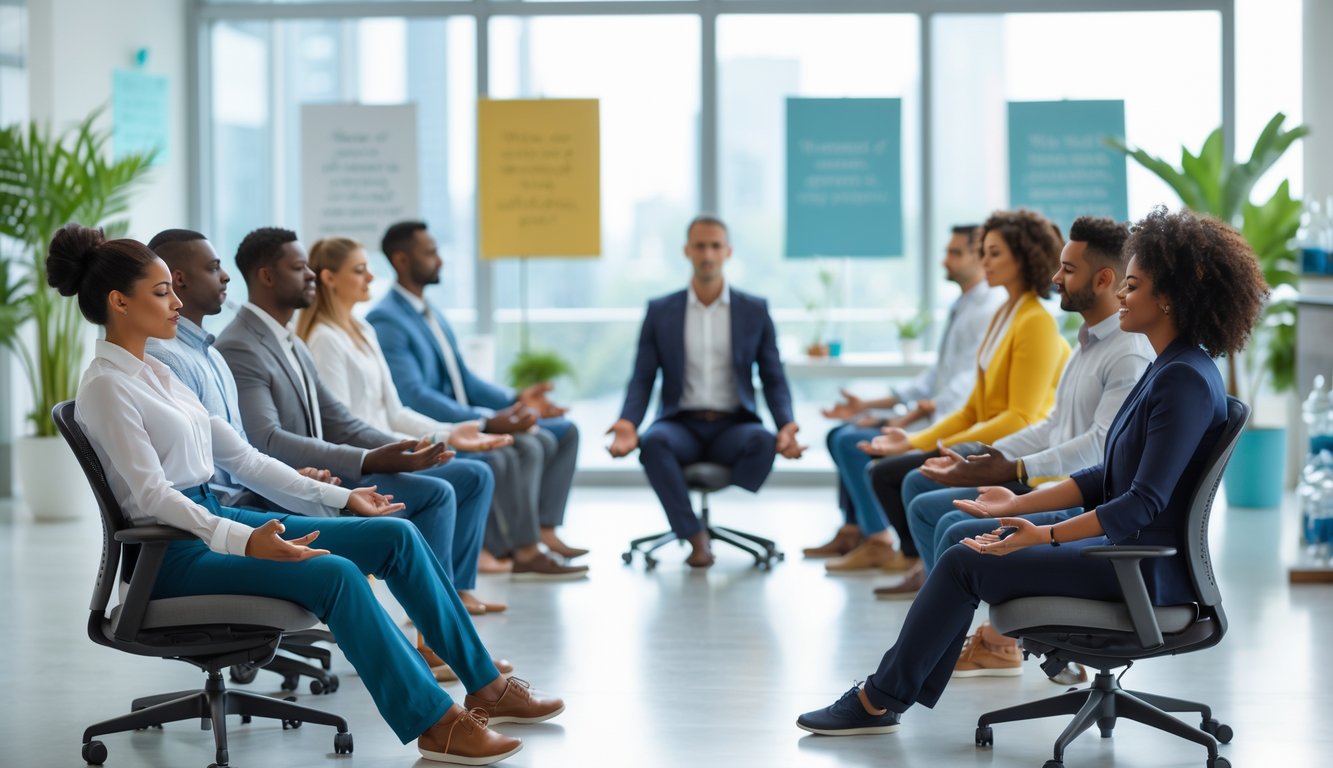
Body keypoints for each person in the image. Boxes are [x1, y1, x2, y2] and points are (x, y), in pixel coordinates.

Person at [52, 224, 565, 766]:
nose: (176, 302)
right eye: (162, 292)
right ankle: (437, 725)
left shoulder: (157, 371)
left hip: (212, 519)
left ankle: (486, 686)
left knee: (395, 534)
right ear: (119, 302)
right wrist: (244, 540)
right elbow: (153, 497)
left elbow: (246, 458)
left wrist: (346, 500)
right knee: (336, 574)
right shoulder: (107, 386)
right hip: (173, 554)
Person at [795, 206, 1268, 739]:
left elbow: (1141, 504)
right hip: (1123, 555)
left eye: (1132, 286)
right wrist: (1015, 505)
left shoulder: (1180, 379)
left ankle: (879, 701)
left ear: (1169, 298)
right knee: (969, 544)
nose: (1122, 297)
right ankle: (892, 694)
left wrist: (1039, 535)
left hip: (1138, 570)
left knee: (961, 562)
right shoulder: (1169, 366)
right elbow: (1104, 476)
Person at [213, 227, 503, 617]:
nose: (311, 275)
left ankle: (440, 618)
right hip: (292, 484)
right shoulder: (240, 345)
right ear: (266, 276)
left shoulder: (292, 341)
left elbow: (340, 420)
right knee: (438, 494)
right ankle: (436, 627)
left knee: (457, 482)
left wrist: (399, 451)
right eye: (300, 268)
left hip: (327, 472)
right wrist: (371, 460)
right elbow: (267, 440)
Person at [876, 216, 1154, 611]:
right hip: (1047, 479)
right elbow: (1053, 424)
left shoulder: (1126, 352)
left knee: (945, 522)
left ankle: (988, 634)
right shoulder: (1085, 344)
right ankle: (964, 623)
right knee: (928, 507)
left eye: (1068, 269)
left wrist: (1015, 468)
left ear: (1103, 280)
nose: (1057, 277)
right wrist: (994, 458)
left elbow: (1098, 448)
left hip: (1073, 497)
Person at [300, 236, 588, 580]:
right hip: (370, 458)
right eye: (360, 270)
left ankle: (462, 586)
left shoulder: (362, 329)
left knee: (487, 464)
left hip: (391, 445)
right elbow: (346, 425)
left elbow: (395, 411)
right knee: (479, 470)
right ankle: (467, 576)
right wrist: (417, 446)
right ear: (330, 278)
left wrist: (451, 433)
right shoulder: (326, 339)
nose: (371, 278)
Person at [825, 210, 1070, 575]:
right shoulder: (1006, 314)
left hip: (1017, 448)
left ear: (1022, 257)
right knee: (900, 472)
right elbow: (972, 409)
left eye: (994, 253)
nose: (983, 262)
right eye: (983, 252)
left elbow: (1021, 417)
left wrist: (946, 446)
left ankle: (927, 572)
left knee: (911, 478)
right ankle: (926, 569)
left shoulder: (1035, 321)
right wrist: (914, 441)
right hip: (993, 440)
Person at [607, 214, 805, 567]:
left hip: (733, 426)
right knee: (653, 443)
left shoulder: (754, 310)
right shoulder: (661, 310)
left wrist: (786, 423)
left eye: (715, 246)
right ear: (687, 251)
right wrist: (627, 422)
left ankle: (698, 525)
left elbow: (773, 376)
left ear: (728, 252)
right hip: (681, 423)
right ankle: (693, 535)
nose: (708, 255)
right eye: (700, 246)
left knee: (763, 441)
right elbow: (642, 376)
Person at [807, 224, 1004, 560]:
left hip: (949, 419)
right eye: (947, 252)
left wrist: (901, 417)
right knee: (840, 433)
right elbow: (936, 375)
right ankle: (853, 530)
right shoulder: (965, 304)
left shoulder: (989, 307)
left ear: (978, 255)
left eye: (955, 253)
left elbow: (964, 388)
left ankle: (878, 539)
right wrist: (870, 404)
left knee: (849, 440)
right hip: (935, 411)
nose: (946, 260)